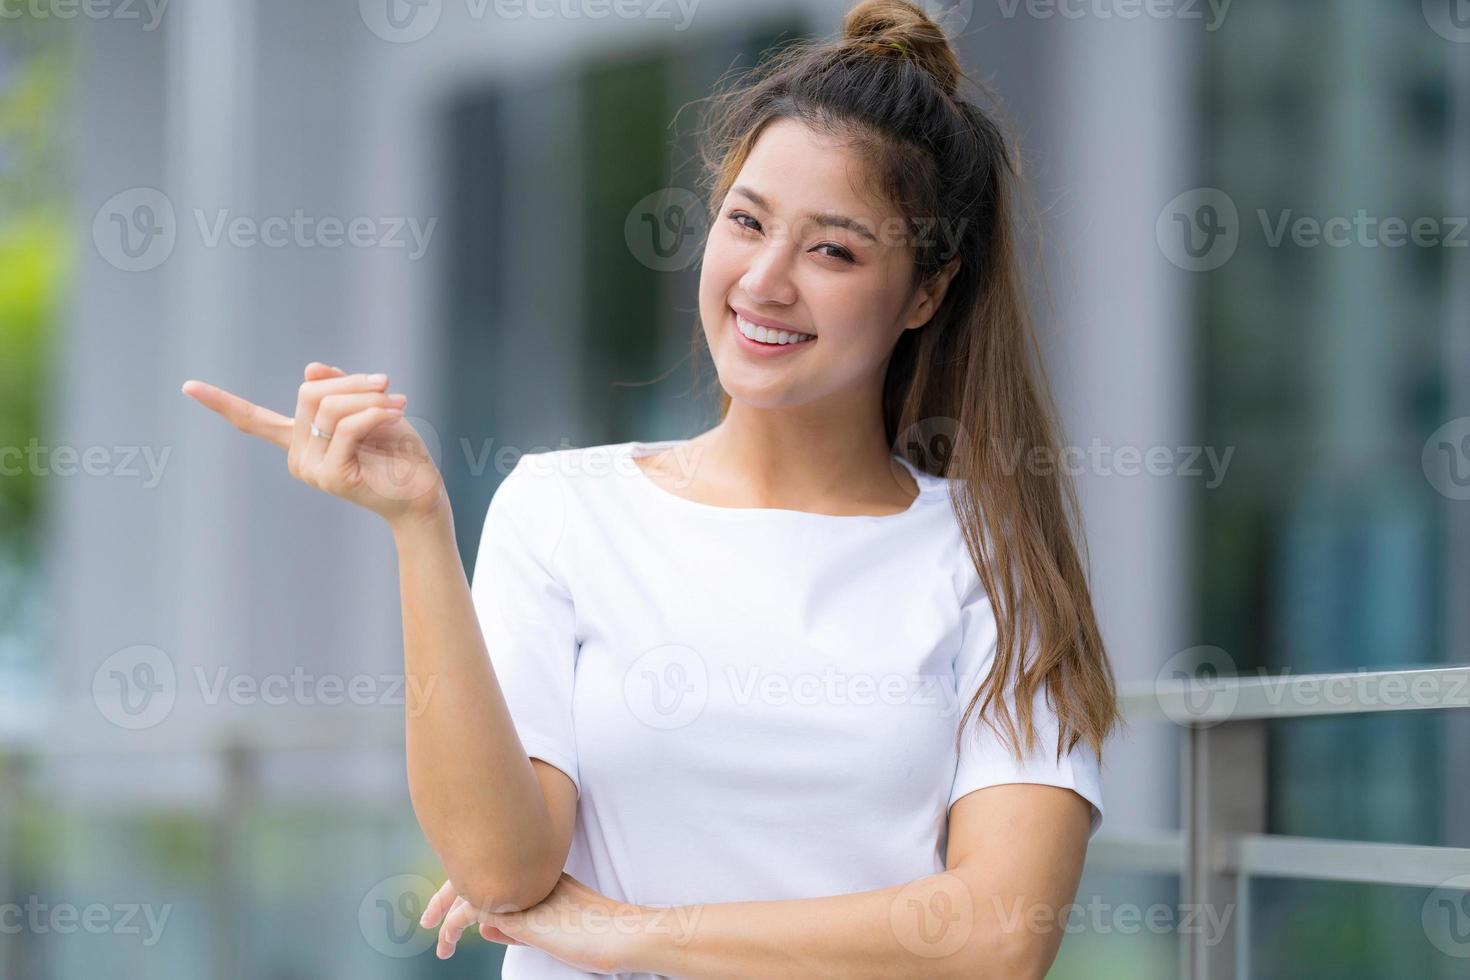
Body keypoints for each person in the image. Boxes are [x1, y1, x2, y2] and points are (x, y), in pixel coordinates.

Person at [182, 1, 1122, 976]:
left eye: (833, 249)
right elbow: (502, 865)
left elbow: (998, 933)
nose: (765, 279)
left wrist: (631, 927)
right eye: (746, 221)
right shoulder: (562, 510)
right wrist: (419, 526)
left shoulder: (993, 553)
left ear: (926, 291)